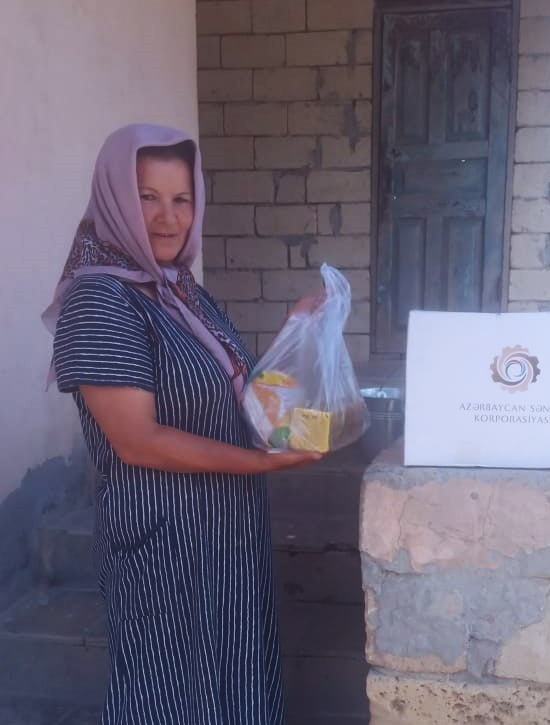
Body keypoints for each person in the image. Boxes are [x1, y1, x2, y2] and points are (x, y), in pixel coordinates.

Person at [42, 123, 321, 724]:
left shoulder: (181, 292)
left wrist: (297, 330)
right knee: (169, 693)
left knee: (235, 679)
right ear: (115, 199)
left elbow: (238, 392)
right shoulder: (101, 301)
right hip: (165, 543)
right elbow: (137, 442)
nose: (168, 218)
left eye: (182, 199)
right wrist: (261, 462)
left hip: (228, 533)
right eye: (147, 197)